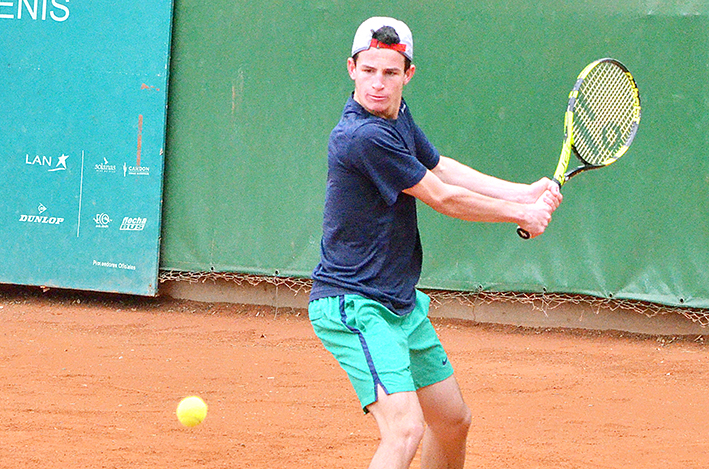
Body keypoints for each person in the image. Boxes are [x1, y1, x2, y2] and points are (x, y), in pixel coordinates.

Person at [308, 17, 562, 469]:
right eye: (368, 71)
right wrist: (519, 213)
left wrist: (520, 192)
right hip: (355, 305)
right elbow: (441, 197)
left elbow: (440, 167)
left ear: (408, 73)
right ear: (351, 68)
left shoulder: (396, 115)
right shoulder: (363, 135)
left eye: (390, 73)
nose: (378, 84)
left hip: (400, 303)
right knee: (404, 430)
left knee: (451, 420)